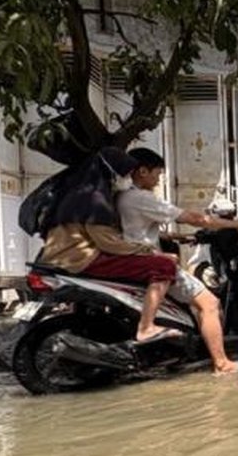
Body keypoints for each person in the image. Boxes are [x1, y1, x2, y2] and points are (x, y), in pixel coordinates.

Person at [117, 148, 238, 374]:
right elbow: (196, 218)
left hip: (135, 259)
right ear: (142, 171)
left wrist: (175, 237)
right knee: (210, 304)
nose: (159, 179)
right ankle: (223, 363)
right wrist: (236, 224)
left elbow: (137, 229)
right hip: (151, 263)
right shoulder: (141, 198)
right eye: (158, 174)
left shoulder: (122, 197)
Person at [36, 147, 181, 345]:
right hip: (81, 259)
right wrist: (149, 252)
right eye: (126, 173)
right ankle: (146, 327)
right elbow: (109, 243)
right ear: (112, 171)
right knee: (164, 266)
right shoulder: (96, 199)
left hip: (60, 257)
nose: (128, 178)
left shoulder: (77, 194)